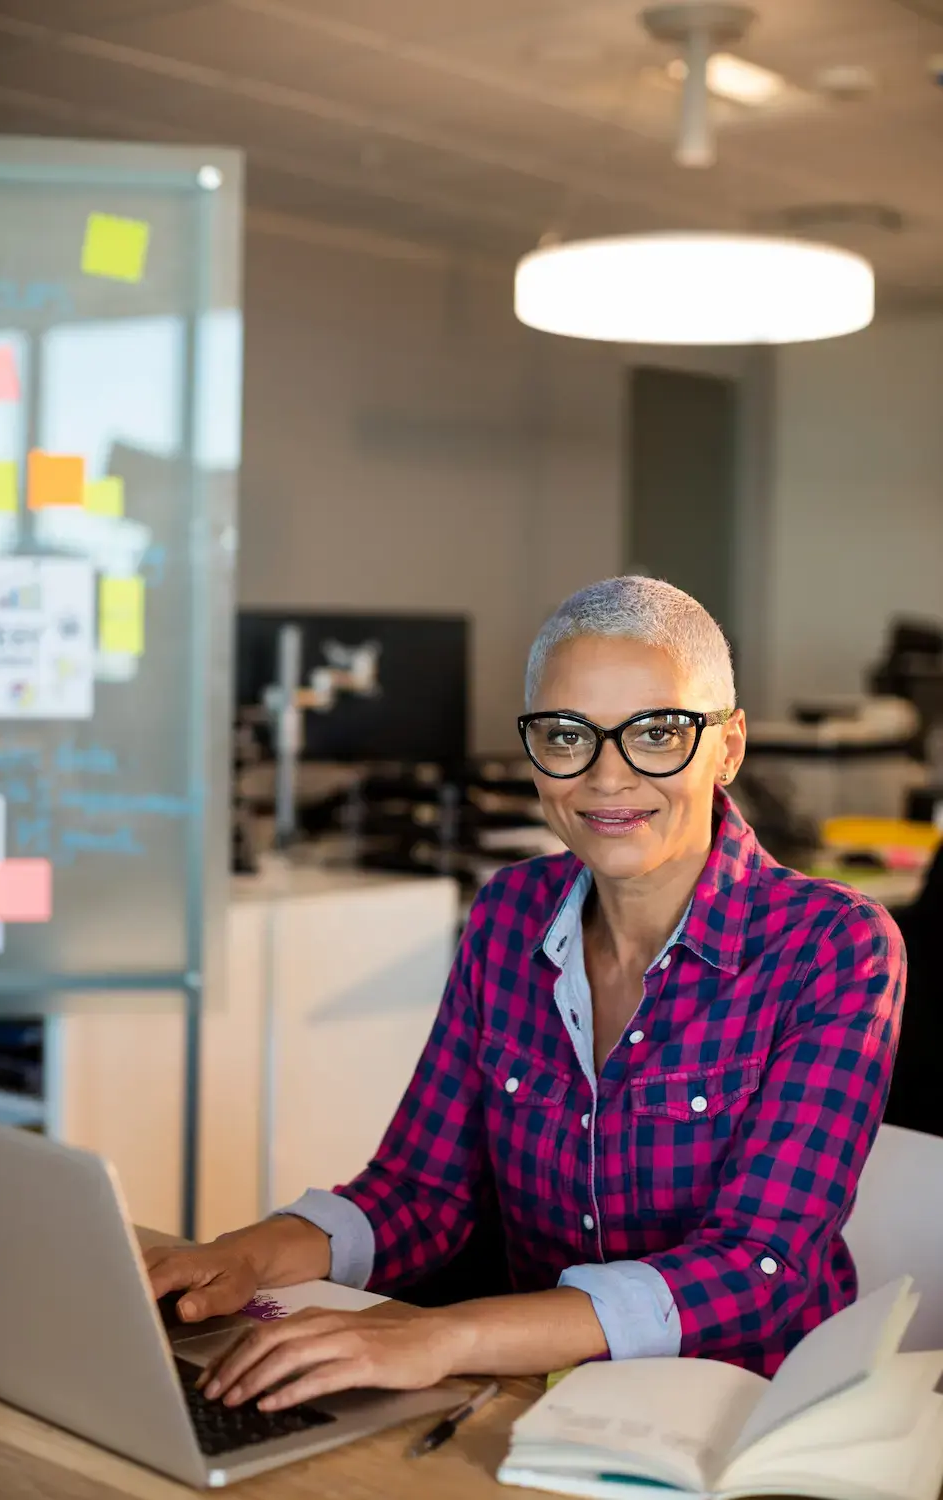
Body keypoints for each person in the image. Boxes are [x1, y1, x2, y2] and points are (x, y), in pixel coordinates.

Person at [147, 577, 904, 1415]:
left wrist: (443, 1336)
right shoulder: (509, 915)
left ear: (727, 748)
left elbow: (757, 1265)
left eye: (656, 734)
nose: (606, 777)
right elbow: (420, 1192)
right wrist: (254, 1254)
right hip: (533, 1400)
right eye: (567, 735)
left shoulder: (833, 945)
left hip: (738, 1420)